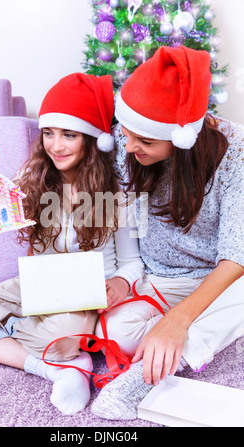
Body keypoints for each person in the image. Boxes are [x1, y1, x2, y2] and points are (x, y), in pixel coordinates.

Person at [0, 73, 143, 416]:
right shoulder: (31, 180)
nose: (56, 146)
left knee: (62, 333)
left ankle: (17, 340)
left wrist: (121, 282)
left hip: (82, 298)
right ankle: (58, 368)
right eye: (49, 133)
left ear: (92, 139)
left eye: (70, 135)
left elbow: (133, 261)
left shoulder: (116, 193)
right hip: (34, 287)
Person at [91, 45, 244, 420]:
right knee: (115, 334)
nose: (128, 147)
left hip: (216, 282)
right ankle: (168, 344)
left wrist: (177, 322)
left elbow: (235, 256)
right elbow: (122, 222)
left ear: (181, 138)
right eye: (126, 134)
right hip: (158, 280)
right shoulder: (128, 143)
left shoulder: (237, 151)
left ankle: (143, 380)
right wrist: (126, 281)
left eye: (144, 141)